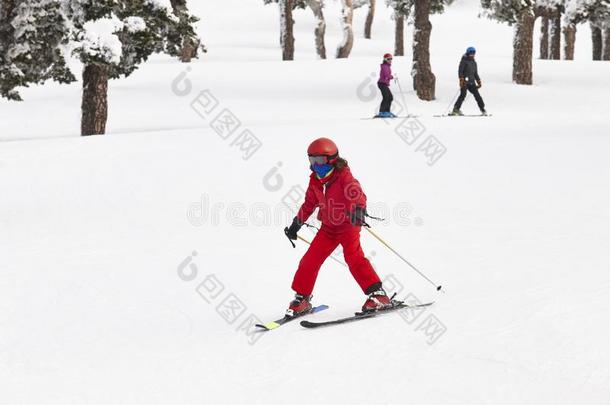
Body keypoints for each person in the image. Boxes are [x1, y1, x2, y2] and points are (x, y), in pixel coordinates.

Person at [284, 137, 392, 316]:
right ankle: (302, 298)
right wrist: (297, 224)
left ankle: (378, 295)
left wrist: (359, 210)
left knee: (354, 258)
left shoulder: (343, 176)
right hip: (328, 228)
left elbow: (357, 194)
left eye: (320, 160)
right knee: (309, 261)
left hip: (348, 225)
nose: (316, 165)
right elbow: (309, 203)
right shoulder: (315, 180)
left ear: (332, 159)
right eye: (312, 160)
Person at [451, 46, 487, 116]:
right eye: (471, 53)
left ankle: (483, 109)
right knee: (463, 95)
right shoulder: (464, 61)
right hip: (465, 82)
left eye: (473, 53)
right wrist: (461, 79)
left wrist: (478, 81)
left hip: (472, 82)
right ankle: (456, 109)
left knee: (477, 96)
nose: (472, 54)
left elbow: (475, 73)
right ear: (467, 53)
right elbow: (460, 71)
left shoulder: (474, 63)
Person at [377, 53, 396, 118]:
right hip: (382, 84)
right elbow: (386, 75)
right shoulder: (384, 66)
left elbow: (387, 75)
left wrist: (391, 77)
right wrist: (392, 77)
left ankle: (387, 112)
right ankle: (382, 112)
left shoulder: (387, 66)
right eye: (388, 59)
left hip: (384, 84)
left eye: (391, 59)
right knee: (386, 97)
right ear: (385, 59)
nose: (390, 60)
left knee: (390, 97)